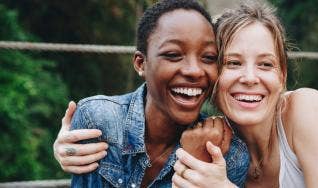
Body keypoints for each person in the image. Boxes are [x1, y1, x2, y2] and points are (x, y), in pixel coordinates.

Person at [172, 1, 318, 187]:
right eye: (233, 63)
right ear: (212, 75)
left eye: (265, 64)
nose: (250, 78)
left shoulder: (307, 108)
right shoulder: (218, 145)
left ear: (282, 77)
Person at [53, 0, 249, 187]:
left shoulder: (228, 156)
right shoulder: (99, 120)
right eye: (173, 55)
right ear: (141, 63)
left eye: (208, 57)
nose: (194, 71)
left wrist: (196, 163)